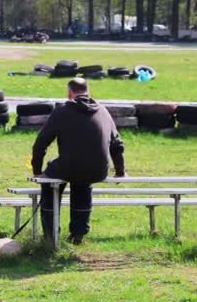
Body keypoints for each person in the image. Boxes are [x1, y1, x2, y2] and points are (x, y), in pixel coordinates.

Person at [31, 78, 126, 245]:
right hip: (98, 170)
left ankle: (50, 236)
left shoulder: (62, 111)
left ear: (69, 93)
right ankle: (78, 234)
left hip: (69, 167)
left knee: (49, 181)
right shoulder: (103, 111)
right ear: (88, 91)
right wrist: (120, 171)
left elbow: (41, 143)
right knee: (83, 181)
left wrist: (37, 171)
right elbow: (117, 145)